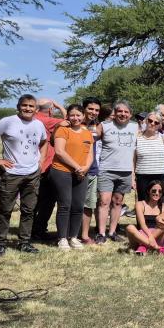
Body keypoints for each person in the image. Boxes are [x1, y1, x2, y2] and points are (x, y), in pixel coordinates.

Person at [0, 94, 47, 257]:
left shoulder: (39, 124)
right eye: (24, 105)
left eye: (31, 106)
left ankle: (24, 242)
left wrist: (41, 161)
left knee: (29, 210)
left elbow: (44, 142)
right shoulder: (8, 121)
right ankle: (0, 243)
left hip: (32, 174)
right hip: (10, 174)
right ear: (18, 106)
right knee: (5, 210)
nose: (28, 109)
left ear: (36, 109)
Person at [49, 105, 94, 251]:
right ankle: (62, 238)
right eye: (72, 115)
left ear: (83, 116)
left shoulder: (87, 133)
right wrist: (77, 167)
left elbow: (90, 154)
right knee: (65, 205)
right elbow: (59, 152)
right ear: (67, 116)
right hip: (62, 171)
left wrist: (85, 168)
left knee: (78, 206)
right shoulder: (63, 130)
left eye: (78, 115)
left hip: (81, 173)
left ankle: (73, 237)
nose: (75, 118)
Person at [96, 100, 139, 244]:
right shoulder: (104, 125)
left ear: (130, 114)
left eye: (126, 112)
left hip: (125, 171)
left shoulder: (135, 127)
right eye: (120, 111)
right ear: (115, 113)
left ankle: (112, 232)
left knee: (118, 202)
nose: (123, 114)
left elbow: (150, 134)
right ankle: (101, 233)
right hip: (106, 169)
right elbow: (90, 136)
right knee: (104, 201)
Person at [31, 98, 65, 242]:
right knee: (47, 201)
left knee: (33, 201)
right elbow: (69, 120)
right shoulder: (48, 121)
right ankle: (39, 230)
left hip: (32, 165)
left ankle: (29, 229)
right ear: (50, 109)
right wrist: (60, 107)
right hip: (46, 166)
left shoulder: (32, 119)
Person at [133, 111, 164, 203]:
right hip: (142, 176)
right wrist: (132, 178)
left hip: (161, 176)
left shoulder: (163, 138)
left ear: (159, 125)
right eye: (150, 120)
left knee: (160, 204)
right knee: (143, 204)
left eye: (156, 122)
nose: (152, 124)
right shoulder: (137, 138)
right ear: (146, 121)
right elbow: (133, 161)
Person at [124, 180, 164, 255]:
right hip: (144, 235)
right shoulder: (140, 204)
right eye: (154, 191)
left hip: (159, 237)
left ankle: (144, 246)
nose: (157, 193)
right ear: (148, 191)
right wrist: (150, 237)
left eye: (160, 191)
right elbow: (142, 224)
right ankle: (157, 248)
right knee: (129, 227)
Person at [80, 97, 102, 245]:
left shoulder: (96, 126)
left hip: (92, 170)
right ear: (84, 109)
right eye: (90, 109)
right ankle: (68, 234)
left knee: (88, 205)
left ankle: (85, 235)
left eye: (96, 110)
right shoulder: (74, 122)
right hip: (74, 169)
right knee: (71, 204)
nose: (93, 112)